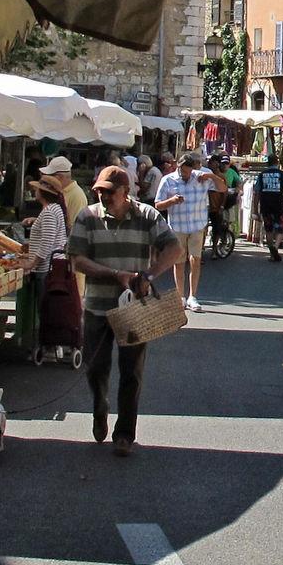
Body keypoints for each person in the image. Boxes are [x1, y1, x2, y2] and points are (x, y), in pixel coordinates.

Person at [69, 166, 180, 456]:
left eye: (108, 191)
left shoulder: (147, 216)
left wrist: (150, 274)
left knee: (131, 372)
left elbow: (174, 248)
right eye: (99, 191)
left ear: (125, 192)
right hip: (97, 306)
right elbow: (77, 259)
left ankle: (124, 434)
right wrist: (114, 273)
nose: (102, 195)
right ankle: (100, 406)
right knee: (95, 368)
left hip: (134, 308)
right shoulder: (88, 217)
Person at [16, 174, 74, 360]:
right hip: (53, 266)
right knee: (50, 308)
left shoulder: (49, 212)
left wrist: (31, 263)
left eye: (37, 188)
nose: (34, 190)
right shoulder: (54, 209)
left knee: (46, 309)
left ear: (43, 192)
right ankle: (51, 343)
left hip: (46, 269)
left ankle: (48, 345)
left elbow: (47, 243)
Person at [154, 153, 212, 312]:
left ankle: (193, 296)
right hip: (177, 227)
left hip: (196, 225)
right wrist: (171, 201)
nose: (183, 173)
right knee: (179, 262)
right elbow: (158, 204)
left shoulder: (200, 178)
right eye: (181, 170)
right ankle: (180, 296)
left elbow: (222, 187)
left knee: (195, 260)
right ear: (177, 166)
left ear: (192, 169)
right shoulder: (168, 180)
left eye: (186, 171)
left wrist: (211, 175)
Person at [254, 156, 283, 260]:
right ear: (277, 162)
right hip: (279, 205)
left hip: (265, 206)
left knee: (268, 229)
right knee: (280, 229)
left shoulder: (261, 176)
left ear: (267, 163)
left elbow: (256, 193)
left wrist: (255, 209)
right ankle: (276, 246)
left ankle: (271, 253)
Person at [40, 155, 88, 225]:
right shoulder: (60, 191)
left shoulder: (77, 196)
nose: (48, 178)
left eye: (50, 175)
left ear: (58, 177)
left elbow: (74, 227)